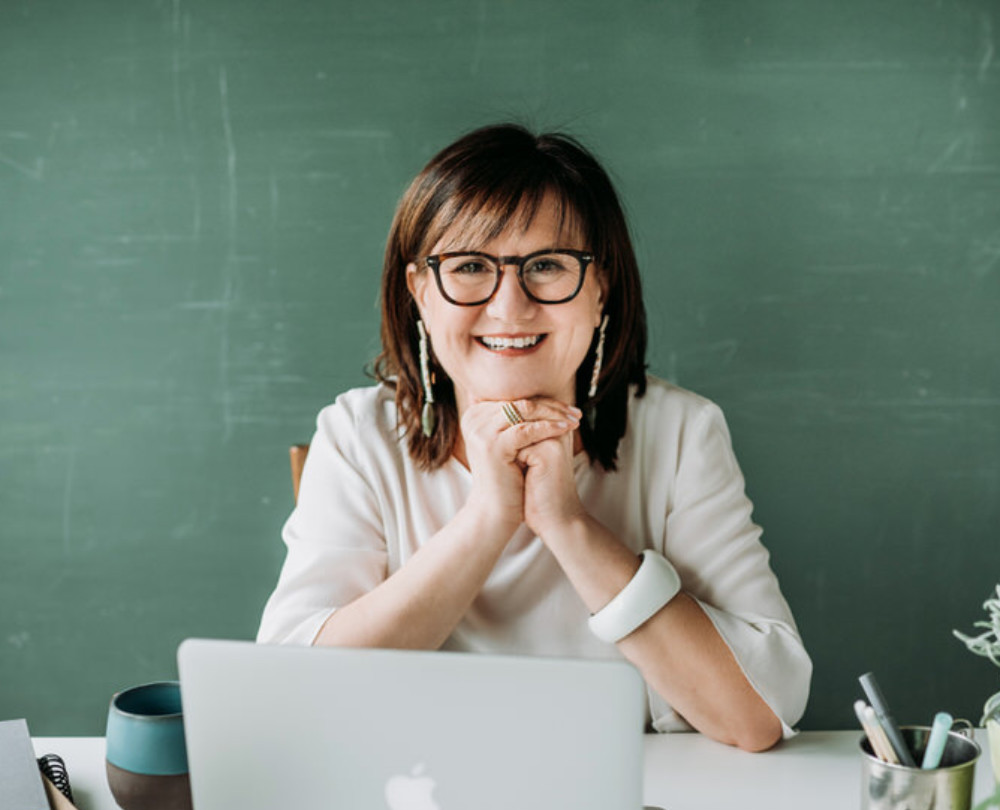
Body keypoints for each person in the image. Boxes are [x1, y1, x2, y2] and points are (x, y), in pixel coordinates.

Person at [257, 123, 811, 752]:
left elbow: (762, 713)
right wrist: (488, 517)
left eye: (546, 265)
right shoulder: (358, 436)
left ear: (601, 288)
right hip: (411, 798)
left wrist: (568, 525)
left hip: (634, 797)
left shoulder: (681, 431)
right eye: (469, 267)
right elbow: (290, 694)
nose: (509, 306)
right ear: (419, 293)